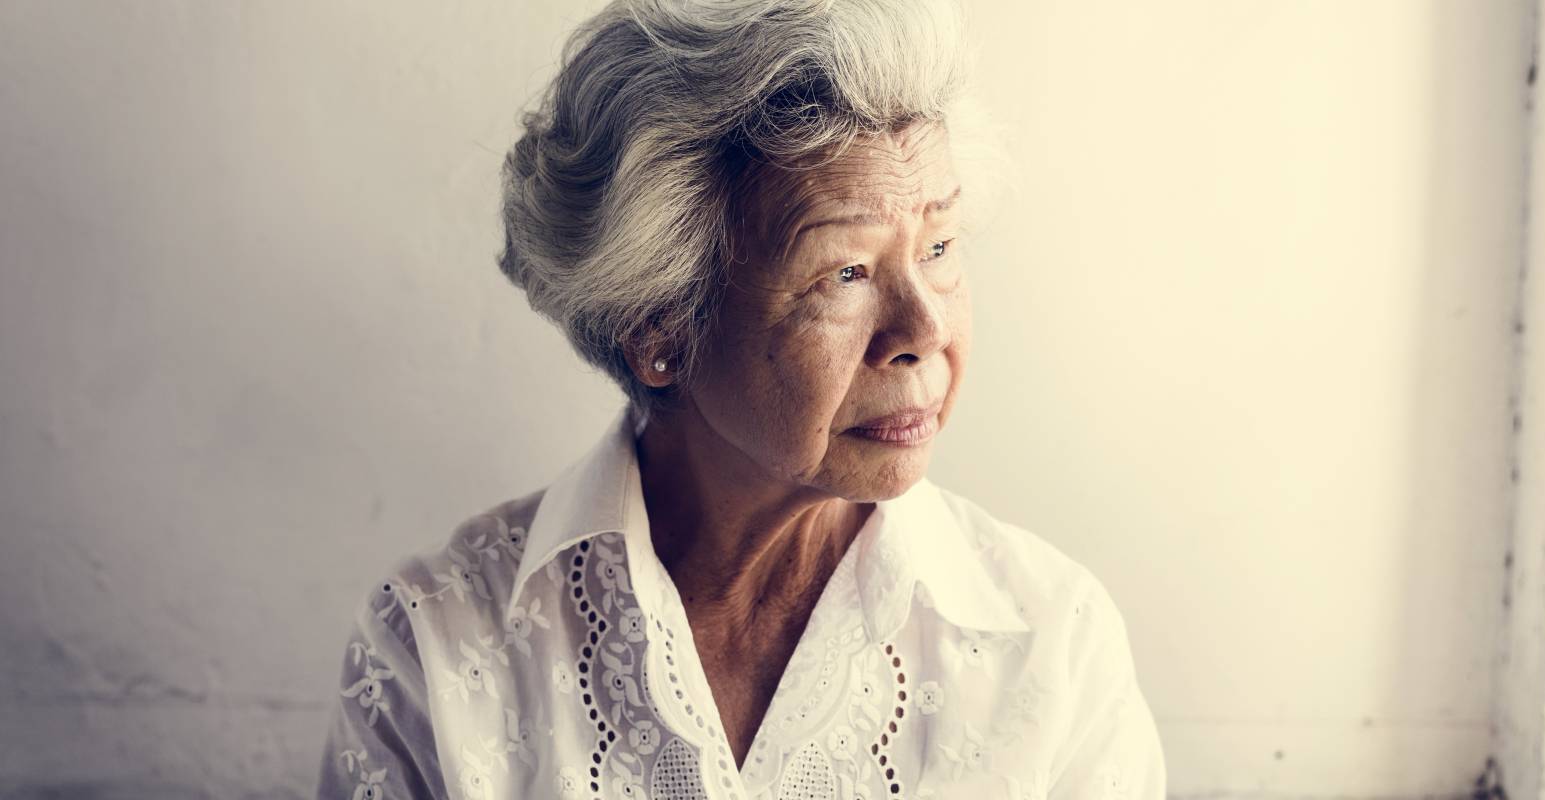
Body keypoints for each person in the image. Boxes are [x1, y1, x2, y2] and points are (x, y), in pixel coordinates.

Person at [317, 0, 1165, 797]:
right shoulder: (437, 646)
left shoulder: (1050, 644)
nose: (924, 325)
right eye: (847, 271)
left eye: (940, 244)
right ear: (658, 328)